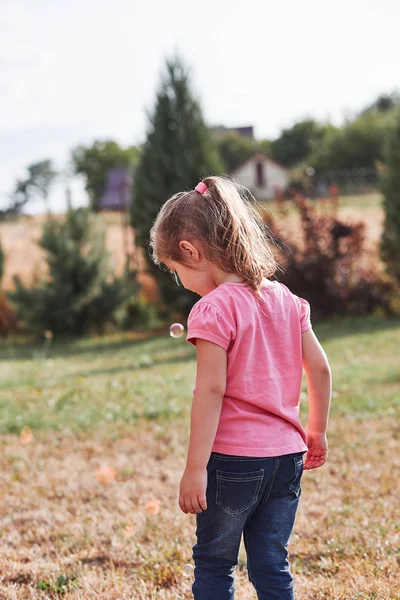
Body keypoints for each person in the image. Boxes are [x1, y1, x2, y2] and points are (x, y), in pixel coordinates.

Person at [149, 176, 332, 600]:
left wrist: (195, 469)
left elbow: (210, 392)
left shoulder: (212, 308)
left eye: (176, 270)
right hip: (288, 457)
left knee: (215, 563)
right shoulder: (287, 299)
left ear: (190, 251)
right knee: (271, 562)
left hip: (234, 462)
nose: (181, 280)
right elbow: (320, 369)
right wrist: (316, 430)